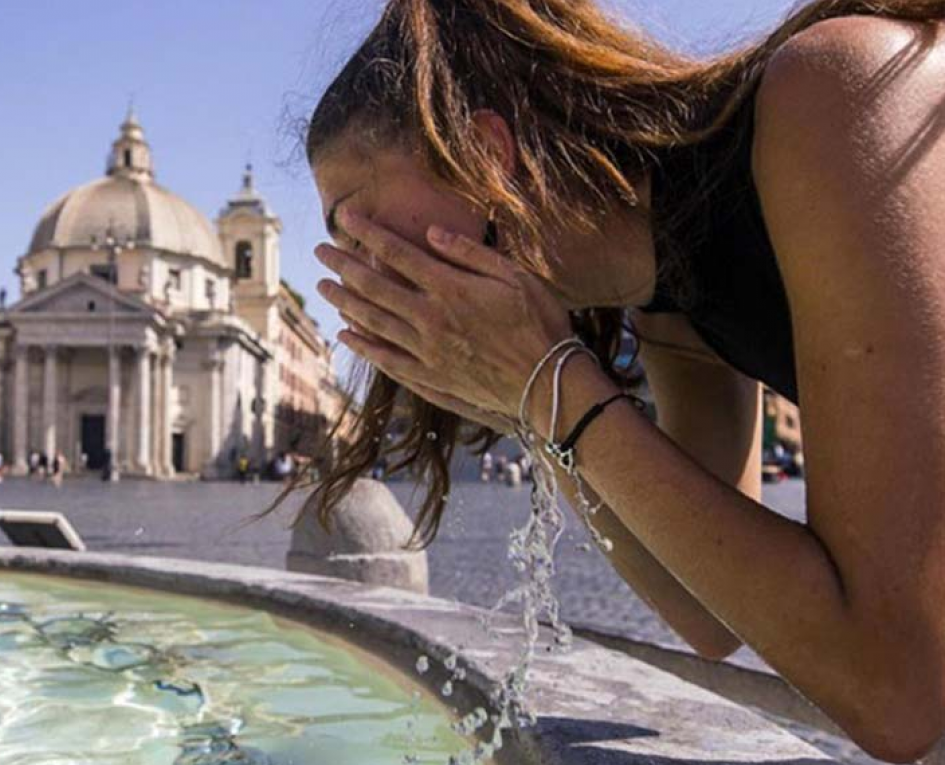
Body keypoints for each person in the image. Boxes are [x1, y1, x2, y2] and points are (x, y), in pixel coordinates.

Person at [291, 2, 945, 759]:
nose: (356, 273)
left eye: (355, 227)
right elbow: (707, 614)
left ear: (484, 155)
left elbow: (898, 692)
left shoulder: (838, 89)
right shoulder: (667, 305)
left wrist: (549, 382)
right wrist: (530, 402)